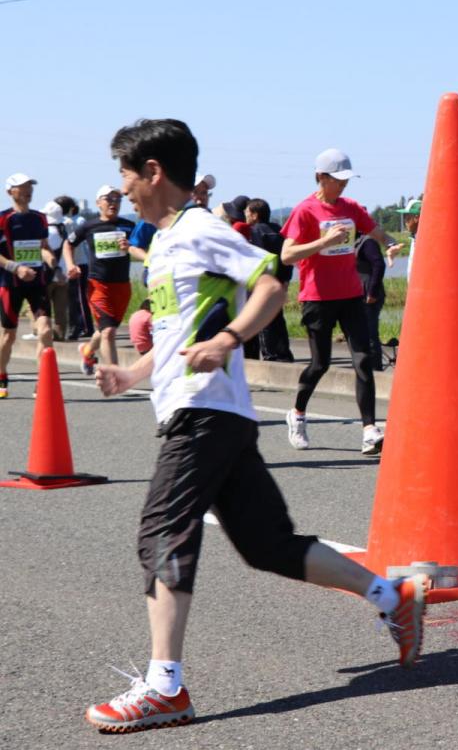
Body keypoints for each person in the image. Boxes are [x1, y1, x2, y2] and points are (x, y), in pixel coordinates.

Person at [85, 119, 427, 735]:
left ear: (154, 172)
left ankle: (165, 686)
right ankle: (390, 597)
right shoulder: (162, 244)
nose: (123, 187)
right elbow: (172, 332)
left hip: (204, 411)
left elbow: (272, 281)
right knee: (268, 546)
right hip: (213, 412)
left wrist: (230, 337)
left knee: (162, 530)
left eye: (127, 175)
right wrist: (132, 374)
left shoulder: (200, 230)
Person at [280, 148, 403, 455]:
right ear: (321, 177)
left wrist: (389, 244)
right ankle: (297, 413)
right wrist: (324, 242)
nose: (344, 185)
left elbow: (376, 231)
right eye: (338, 179)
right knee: (319, 364)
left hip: (350, 294)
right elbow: (286, 255)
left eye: (347, 179)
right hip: (317, 296)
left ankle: (369, 430)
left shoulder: (351, 207)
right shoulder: (305, 210)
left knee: (363, 358)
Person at [64, 184, 137, 374]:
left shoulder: (129, 226)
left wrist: (131, 246)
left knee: (107, 328)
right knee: (109, 332)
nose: (114, 203)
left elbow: (141, 246)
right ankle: (114, 375)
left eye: (117, 199)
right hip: (98, 286)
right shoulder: (89, 226)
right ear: (98, 203)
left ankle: (87, 351)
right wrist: (71, 264)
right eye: (109, 199)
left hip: (122, 286)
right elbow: (68, 243)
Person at [0, 173, 55, 398]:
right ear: (10, 192)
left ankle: (42, 382)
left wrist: (50, 258)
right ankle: (2, 374)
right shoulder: (3, 219)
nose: (27, 191)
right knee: (8, 336)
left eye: (30, 186)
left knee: (46, 330)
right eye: (22, 187)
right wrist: (16, 268)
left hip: (37, 282)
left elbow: (42, 246)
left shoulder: (40, 218)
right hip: (10, 283)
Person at [245, 198, 294, 362]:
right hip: (279, 282)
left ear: (254, 215)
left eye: (248, 212)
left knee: (262, 320)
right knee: (278, 319)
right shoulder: (279, 231)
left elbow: (256, 260)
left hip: (262, 283)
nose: (246, 216)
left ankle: (271, 355)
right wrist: (286, 280)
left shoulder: (255, 232)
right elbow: (288, 258)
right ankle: (283, 353)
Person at [57, 196, 93, 340]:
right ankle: (86, 326)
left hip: (78, 263)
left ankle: (82, 326)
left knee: (78, 298)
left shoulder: (73, 222)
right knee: (76, 297)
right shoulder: (73, 221)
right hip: (73, 263)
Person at [355, 231, 387, 371]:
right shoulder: (350, 240)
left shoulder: (367, 242)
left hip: (368, 293)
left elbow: (379, 265)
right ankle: (364, 367)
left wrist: (372, 292)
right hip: (357, 293)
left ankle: (374, 368)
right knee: (361, 333)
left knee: (369, 333)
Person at [42, 200, 71, 341]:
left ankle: (42, 332)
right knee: (61, 310)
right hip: (64, 277)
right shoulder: (64, 231)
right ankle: (60, 335)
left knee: (43, 308)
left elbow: (45, 254)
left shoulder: (49, 233)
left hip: (49, 276)